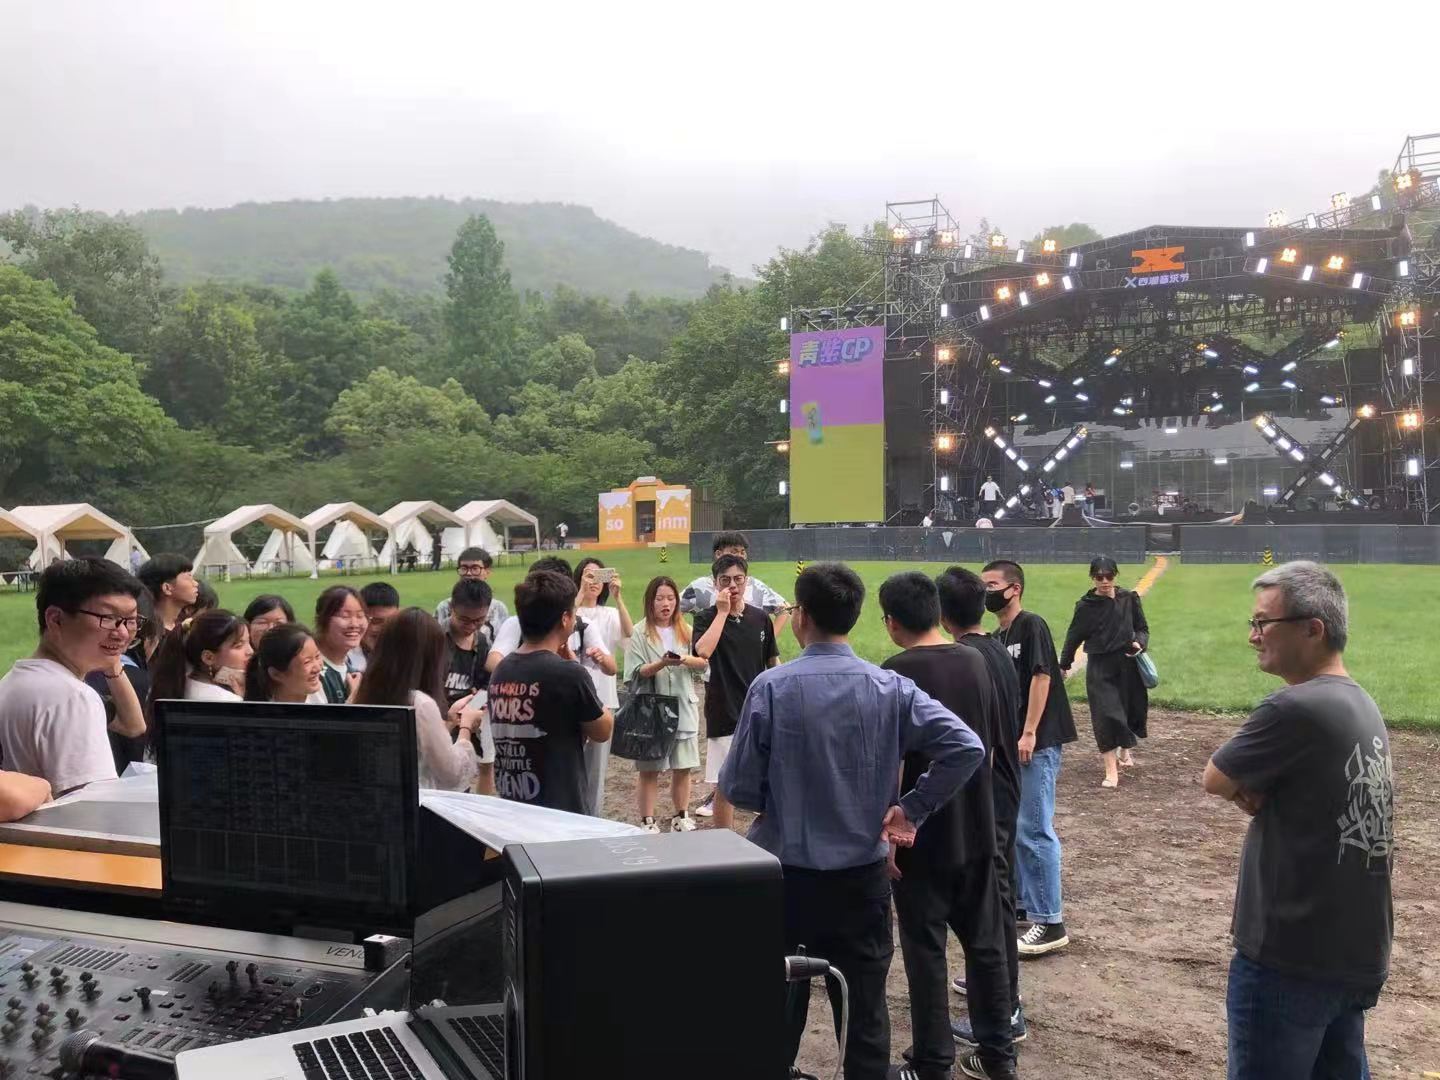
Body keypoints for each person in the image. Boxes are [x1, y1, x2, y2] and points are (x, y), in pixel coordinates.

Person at [721, 563, 983, 1080]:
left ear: (801, 617)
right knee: (864, 1012)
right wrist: (911, 806)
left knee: (778, 1006)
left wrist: (786, 795)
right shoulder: (889, 687)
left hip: (787, 878)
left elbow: (740, 786)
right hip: (861, 878)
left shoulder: (772, 687)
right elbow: (965, 747)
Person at [1203, 562, 1392, 1080]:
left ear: (1313, 629)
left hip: (1290, 958)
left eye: (1264, 623)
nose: (1253, 636)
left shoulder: (1295, 707)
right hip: (1350, 952)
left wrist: (1242, 790)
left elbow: (1215, 777)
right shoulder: (1361, 702)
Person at [878, 572, 1016, 1080]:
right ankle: (998, 1057)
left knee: (925, 952)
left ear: (891, 622)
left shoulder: (894, 672)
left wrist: (891, 831)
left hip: (921, 835)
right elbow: (991, 747)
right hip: (977, 829)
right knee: (986, 946)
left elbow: (892, 762)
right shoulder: (976, 660)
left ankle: (932, 1061)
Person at [936, 567, 1026, 1046]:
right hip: (1005, 788)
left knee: (993, 903)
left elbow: (977, 745)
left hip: (991, 793)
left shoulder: (969, 658)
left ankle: (1005, 1011)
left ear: (942, 613)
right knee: (997, 897)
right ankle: (998, 996)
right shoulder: (994, 648)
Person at [983, 559, 1076, 957]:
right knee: (1015, 824)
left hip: (1036, 741)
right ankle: (1024, 903)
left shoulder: (1031, 625)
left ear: (1015, 588)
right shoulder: (997, 636)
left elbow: (1042, 676)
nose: (986, 592)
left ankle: (1049, 921)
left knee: (1033, 828)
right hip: (1013, 744)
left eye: (992, 585)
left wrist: (1030, 731)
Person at [0, 559, 147, 795]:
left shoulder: (15, 681)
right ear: (55, 619)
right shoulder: (72, 698)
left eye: (130, 620)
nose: (122, 633)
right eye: (108, 618)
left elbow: (133, 726)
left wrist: (111, 660)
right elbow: (93, 807)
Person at [487, 570, 613, 814]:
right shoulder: (568, 674)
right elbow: (602, 730)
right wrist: (578, 670)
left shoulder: (501, 669)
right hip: (559, 811)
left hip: (514, 804)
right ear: (565, 619)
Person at [692, 554, 779, 831]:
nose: (732, 585)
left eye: (738, 579)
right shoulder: (706, 618)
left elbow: (772, 661)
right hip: (723, 708)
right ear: (715, 583)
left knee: (766, 776)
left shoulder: (760, 618)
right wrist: (722, 613)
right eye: (725, 580)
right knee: (725, 783)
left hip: (758, 709)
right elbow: (703, 651)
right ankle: (724, 840)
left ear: (747, 581)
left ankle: (766, 836)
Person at [356, 608, 482, 792]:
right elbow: (452, 773)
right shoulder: (420, 704)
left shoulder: (365, 692)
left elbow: (419, 748)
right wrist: (466, 727)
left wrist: (449, 721)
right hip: (414, 803)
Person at [626, 576, 707, 832]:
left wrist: (683, 659)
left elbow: (703, 665)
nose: (666, 604)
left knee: (683, 766)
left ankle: (680, 816)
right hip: (652, 710)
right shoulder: (639, 632)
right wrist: (662, 663)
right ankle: (647, 821)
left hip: (683, 705)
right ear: (650, 602)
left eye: (671, 598)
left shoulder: (686, 630)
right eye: (660, 598)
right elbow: (635, 673)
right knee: (649, 769)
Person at [1060, 557, 1150, 788]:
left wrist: (1139, 642)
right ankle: (1111, 770)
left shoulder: (1128, 598)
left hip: (1128, 664)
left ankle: (1125, 750)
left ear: (1115, 575)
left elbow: (1142, 628)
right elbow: (1073, 637)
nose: (1104, 581)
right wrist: (1064, 664)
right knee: (1106, 716)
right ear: (1092, 578)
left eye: (1109, 576)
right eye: (1099, 577)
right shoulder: (1086, 606)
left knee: (1129, 711)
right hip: (1100, 667)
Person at [573, 558, 630, 816]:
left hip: (603, 697)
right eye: (588, 575)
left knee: (596, 768)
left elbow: (628, 635)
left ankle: (593, 817)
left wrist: (618, 598)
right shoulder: (571, 611)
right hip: (572, 695)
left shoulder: (609, 614)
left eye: (598, 577)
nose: (594, 582)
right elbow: (563, 620)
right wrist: (580, 593)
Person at [442, 578, 499, 795]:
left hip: (468, 719)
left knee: (468, 778)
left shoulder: (482, 642)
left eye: (479, 620)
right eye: (464, 619)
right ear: (451, 608)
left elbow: (486, 684)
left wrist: (475, 704)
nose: (471, 626)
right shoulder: (435, 638)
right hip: (440, 722)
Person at [147, 610, 253, 708]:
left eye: (249, 642)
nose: (250, 651)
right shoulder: (229, 701)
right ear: (208, 657)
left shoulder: (169, 686)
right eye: (239, 646)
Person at [244, 623, 327, 704]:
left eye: (317, 656)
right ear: (276, 674)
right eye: (307, 662)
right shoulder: (263, 711)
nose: (318, 668)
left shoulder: (320, 689)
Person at [434, 547, 509, 636]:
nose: (469, 573)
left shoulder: (498, 608)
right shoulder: (444, 607)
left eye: (475, 568)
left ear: (487, 572)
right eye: (464, 568)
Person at [313, 586, 367, 703]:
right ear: (321, 620)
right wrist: (354, 698)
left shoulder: (353, 671)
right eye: (345, 616)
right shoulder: (312, 673)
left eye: (360, 616)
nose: (354, 624)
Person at [135, 553, 200, 642]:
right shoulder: (149, 637)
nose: (196, 583)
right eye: (189, 577)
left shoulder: (185, 627)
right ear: (167, 588)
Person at [352, 581, 401, 673]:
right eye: (376, 621)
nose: (384, 628)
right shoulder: (344, 660)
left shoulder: (409, 652)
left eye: (391, 621)